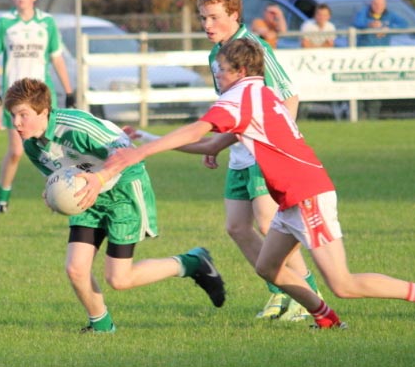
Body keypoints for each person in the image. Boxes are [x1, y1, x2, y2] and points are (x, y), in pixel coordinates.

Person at [103, 38, 415, 329]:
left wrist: (140, 153)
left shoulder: (240, 96)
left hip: (307, 195)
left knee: (343, 284)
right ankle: (326, 319)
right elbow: (210, 145)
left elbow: (197, 131)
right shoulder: (258, 94)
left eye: (220, 70)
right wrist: (146, 140)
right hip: (291, 198)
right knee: (268, 267)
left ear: (239, 71)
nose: (217, 76)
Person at [3, 78, 226, 333]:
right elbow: (55, 174)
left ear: (44, 111)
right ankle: (101, 326)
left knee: (119, 279)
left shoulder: (78, 126)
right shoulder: (32, 144)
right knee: (76, 269)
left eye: (23, 115)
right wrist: (52, 191)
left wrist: (100, 179)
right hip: (88, 193)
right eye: (13, 115)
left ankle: (192, 262)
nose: (17, 123)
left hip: (123, 187)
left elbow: (124, 150)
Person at [193, 0, 321, 321]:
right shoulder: (215, 53)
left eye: (214, 17)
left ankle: (307, 294)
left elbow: (289, 95)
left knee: (269, 223)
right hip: (238, 150)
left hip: (264, 151)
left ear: (235, 15)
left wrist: (274, 143)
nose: (207, 24)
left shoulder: (256, 47)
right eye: (203, 17)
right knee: (236, 227)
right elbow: (233, 103)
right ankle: (279, 292)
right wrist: (217, 141)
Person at [0, 0, 75, 214]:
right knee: (17, 151)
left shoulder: (46, 23)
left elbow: (56, 56)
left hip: (40, 98)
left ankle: (65, 196)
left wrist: (69, 90)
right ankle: (2, 199)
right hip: (15, 98)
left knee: (53, 149)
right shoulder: (4, 23)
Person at [353, 0, 408, 119]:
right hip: (363, 58)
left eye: (381, 4)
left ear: (385, 5)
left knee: (376, 86)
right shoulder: (363, 13)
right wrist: (370, 24)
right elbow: (357, 23)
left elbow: (404, 24)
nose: (378, 7)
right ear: (371, 4)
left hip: (380, 58)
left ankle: (373, 116)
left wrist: (387, 28)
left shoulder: (389, 15)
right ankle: (358, 114)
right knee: (360, 85)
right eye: (375, 4)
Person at [300, 4, 348, 120]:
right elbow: (305, 45)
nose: (321, 17)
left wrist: (315, 47)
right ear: (315, 15)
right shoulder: (307, 26)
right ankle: (301, 116)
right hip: (307, 64)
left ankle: (338, 115)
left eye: (324, 15)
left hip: (324, 64)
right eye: (319, 14)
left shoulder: (330, 27)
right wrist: (320, 47)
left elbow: (330, 45)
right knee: (305, 90)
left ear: (329, 16)